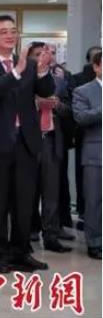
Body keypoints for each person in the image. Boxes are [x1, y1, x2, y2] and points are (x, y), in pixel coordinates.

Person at [0, 15, 55, 274]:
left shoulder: (29, 64)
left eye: (13, 30)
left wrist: (42, 71)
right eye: (3, 31)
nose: (10, 35)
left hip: (26, 140)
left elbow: (45, 91)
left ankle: (21, 252)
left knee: (25, 200)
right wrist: (16, 71)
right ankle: (1, 253)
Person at [26, 42, 72, 253]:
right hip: (28, 141)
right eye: (37, 54)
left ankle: (51, 235)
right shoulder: (22, 80)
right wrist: (36, 103)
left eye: (45, 54)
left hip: (51, 140)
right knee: (28, 190)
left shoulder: (60, 81)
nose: (42, 57)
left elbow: (69, 110)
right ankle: (29, 231)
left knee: (51, 192)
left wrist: (57, 105)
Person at [72, 51, 102, 260]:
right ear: (96, 67)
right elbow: (81, 117)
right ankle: (95, 243)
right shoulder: (83, 91)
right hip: (96, 154)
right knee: (94, 201)